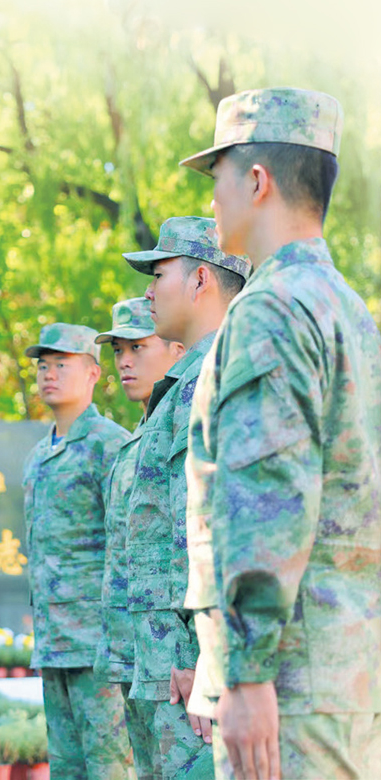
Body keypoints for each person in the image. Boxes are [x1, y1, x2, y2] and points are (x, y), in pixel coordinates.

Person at [180, 88, 381, 779]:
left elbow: (267, 497)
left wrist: (247, 673)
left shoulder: (272, 308)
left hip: (288, 688)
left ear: (257, 181)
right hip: (347, 671)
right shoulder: (347, 309)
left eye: (218, 177)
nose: (212, 200)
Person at [122, 219, 249, 778]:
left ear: (201, 279)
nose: (149, 291)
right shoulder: (187, 381)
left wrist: (195, 653)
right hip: (168, 661)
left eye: (159, 274)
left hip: (188, 669)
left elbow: (203, 527)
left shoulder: (213, 377)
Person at [22, 323, 133, 779]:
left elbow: (126, 543)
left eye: (61, 365)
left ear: (92, 372)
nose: (49, 374)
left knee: (109, 767)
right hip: (54, 642)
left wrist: (120, 637)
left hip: (98, 644)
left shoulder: (110, 445)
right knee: (66, 768)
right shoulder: (39, 455)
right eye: (43, 366)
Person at [94, 297, 185, 780]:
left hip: (173, 660)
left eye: (137, 347)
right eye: (118, 351)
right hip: (137, 654)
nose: (124, 361)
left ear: (175, 348)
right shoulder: (139, 435)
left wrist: (191, 654)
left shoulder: (182, 421)